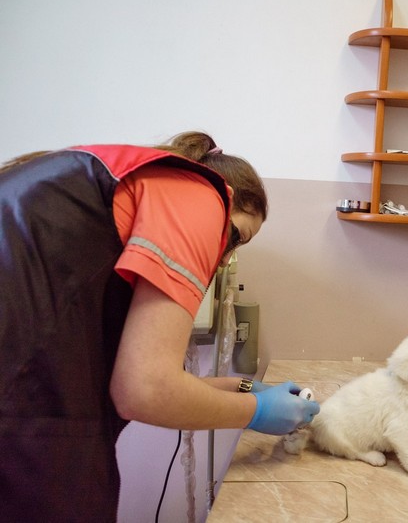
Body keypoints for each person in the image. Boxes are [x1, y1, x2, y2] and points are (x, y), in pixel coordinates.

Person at [0, 132, 320, 521]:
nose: (223, 261)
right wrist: (254, 411)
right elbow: (145, 390)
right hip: (22, 435)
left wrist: (248, 388)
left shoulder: (112, 185)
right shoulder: (198, 194)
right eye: (235, 236)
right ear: (228, 196)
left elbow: (141, 380)